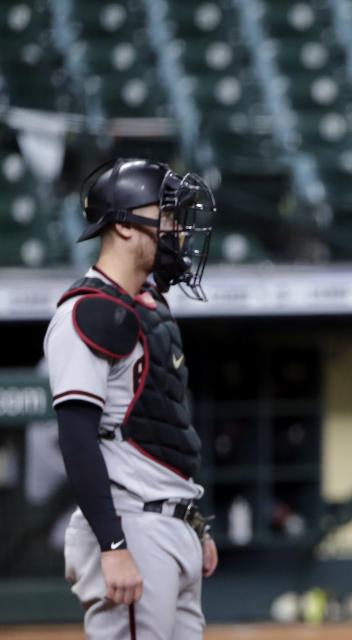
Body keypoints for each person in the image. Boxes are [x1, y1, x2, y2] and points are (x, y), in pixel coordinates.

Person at [42, 158, 218, 639]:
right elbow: (78, 438)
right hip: (133, 528)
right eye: (165, 217)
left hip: (169, 525)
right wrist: (113, 542)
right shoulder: (89, 311)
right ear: (122, 226)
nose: (178, 230)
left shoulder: (150, 305)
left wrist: (192, 524)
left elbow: (159, 429)